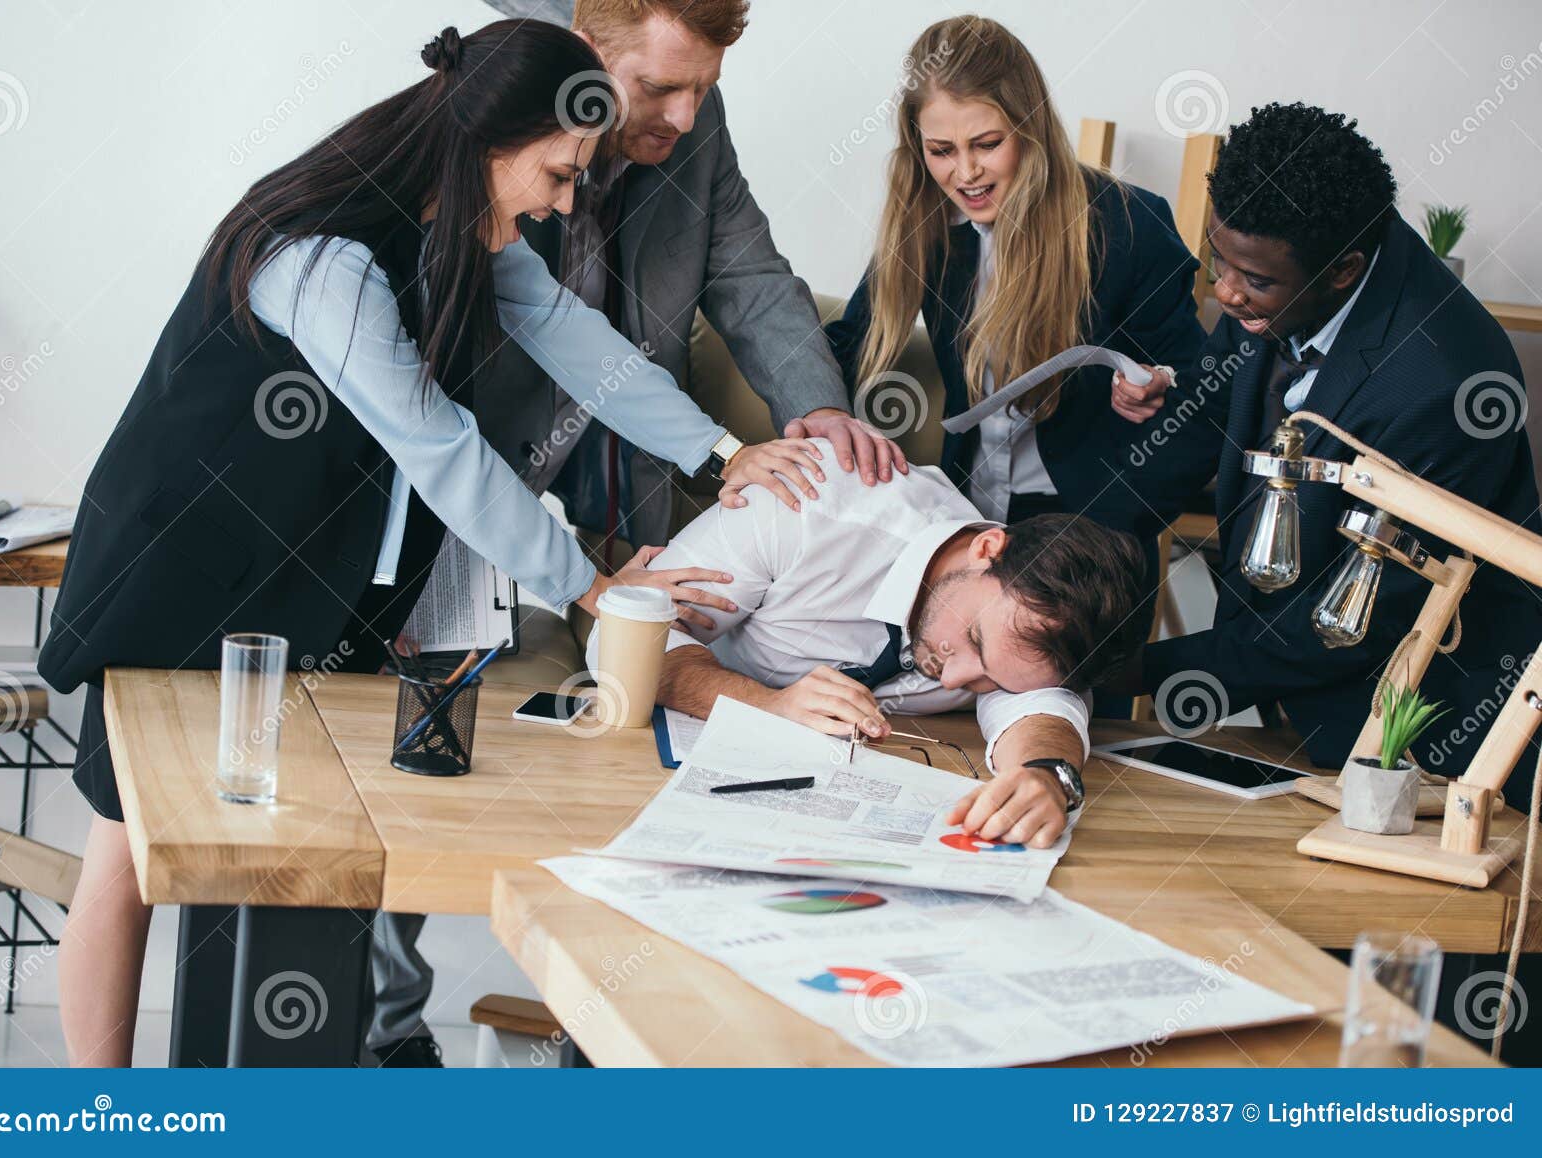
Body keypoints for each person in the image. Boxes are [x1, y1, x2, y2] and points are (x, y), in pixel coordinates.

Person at [37, 20, 846, 1068]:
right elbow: (441, 450)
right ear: (489, 142)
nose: (562, 203)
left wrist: (720, 452)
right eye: (556, 174)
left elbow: (569, 335)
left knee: (275, 855)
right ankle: (100, 1113)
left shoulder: (456, 223)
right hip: (185, 567)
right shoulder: (322, 253)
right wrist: (591, 587)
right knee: (129, 850)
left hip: (296, 577)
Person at [1109, 101, 1541, 811]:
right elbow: (1209, 421)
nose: (1224, 290)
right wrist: (1079, 552)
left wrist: (1130, 671)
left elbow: (1344, 625)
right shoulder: (1279, 259)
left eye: (1251, 281)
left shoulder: (1446, 381)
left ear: (1343, 272)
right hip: (1297, 700)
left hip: (1423, 744)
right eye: (1218, 257)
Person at [477, 0, 903, 566]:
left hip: (627, 461)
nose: (683, 116)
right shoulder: (504, 104)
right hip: (481, 454)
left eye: (703, 88)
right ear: (588, 55)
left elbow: (754, 281)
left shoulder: (699, 124)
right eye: (660, 87)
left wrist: (820, 409)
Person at [587, 440, 1151, 848]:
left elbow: (1042, 707)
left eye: (990, 681)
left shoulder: (1023, 636)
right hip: (664, 786)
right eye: (973, 641)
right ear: (987, 549)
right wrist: (767, 705)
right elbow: (622, 640)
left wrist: (1047, 776)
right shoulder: (805, 507)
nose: (953, 681)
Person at [824, 16, 1204, 585]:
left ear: (1031, 129)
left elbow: (1199, 392)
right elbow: (851, 341)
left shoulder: (1130, 223)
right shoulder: (927, 223)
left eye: (987, 144)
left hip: (1091, 531)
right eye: (941, 150)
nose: (966, 172)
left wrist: (1159, 382)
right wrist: (805, 417)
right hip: (964, 517)